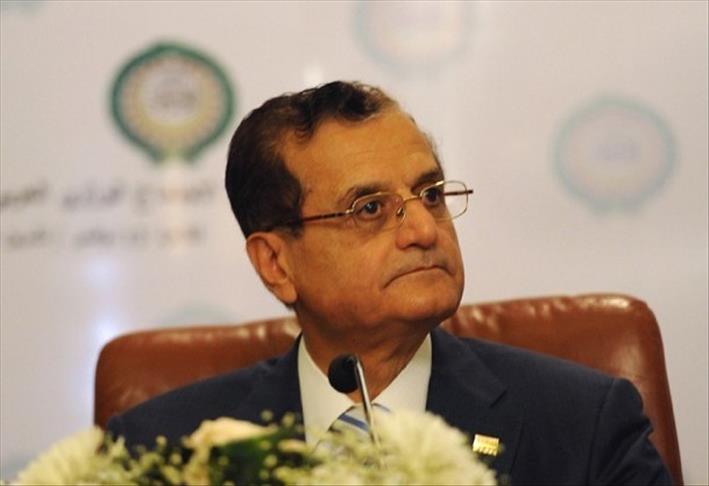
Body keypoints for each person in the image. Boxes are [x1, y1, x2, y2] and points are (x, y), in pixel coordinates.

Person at [107, 81, 672, 484]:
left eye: (431, 194)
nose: (424, 229)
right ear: (276, 263)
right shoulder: (159, 451)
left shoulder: (583, 424)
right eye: (370, 208)